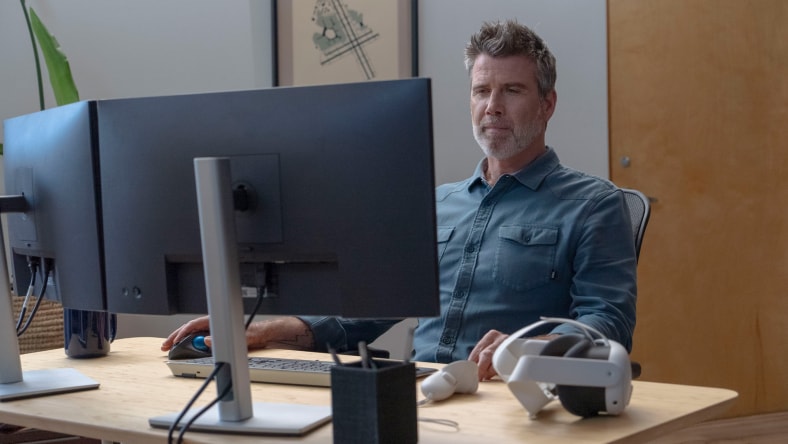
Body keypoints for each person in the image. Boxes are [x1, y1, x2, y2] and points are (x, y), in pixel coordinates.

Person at [162, 19, 637, 381]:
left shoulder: (594, 204)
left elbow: (606, 322)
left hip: (514, 399)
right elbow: (368, 311)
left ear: (547, 104)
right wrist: (268, 328)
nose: (492, 106)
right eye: (481, 91)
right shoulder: (433, 205)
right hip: (420, 395)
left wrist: (532, 346)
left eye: (511, 90)